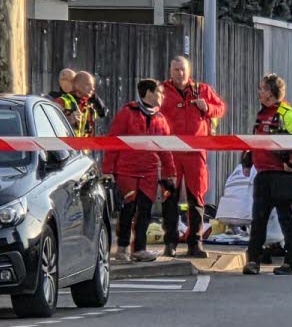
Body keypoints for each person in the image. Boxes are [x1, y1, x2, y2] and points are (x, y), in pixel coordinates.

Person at [241, 73, 292, 275]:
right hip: (264, 174)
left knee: (286, 219)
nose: (259, 92)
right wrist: (247, 160)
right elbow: (258, 141)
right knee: (258, 220)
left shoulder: (286, 114)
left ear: (271, 93)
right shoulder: (262, 114)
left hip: (283, 176)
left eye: (262, 88)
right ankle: (253, 261)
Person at [102, 79, 176, 263]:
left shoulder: (160, 119)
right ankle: (122, 248)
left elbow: (165, 149)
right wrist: (108, 170)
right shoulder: (127, 113)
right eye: (159, 92)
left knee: (145, 211)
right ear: (149, 93)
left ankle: (140, 249)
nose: (162, 96)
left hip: (149, 172)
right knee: (128, 209)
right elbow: (113, 142)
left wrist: (170, 173)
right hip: (127, 170)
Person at [160, 56, 226, 258]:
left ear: (189, 71)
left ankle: (195, 243)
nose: (180, 73)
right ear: (170, 71)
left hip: (196, 154)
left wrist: (207, 108)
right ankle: (170, 242)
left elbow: (220, 108)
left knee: (196, 198)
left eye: (183, 69)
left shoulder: (202, 89)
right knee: (169, 197)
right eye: (176, 69)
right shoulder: (162, 91)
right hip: (171, 153)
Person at [71, 71, 108, 137]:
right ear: (77, 86)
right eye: (88, 85)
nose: (92, 88)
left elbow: (103, 113)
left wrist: (94, 97)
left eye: (93, 86)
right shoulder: (66, 101)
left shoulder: (88, 103)